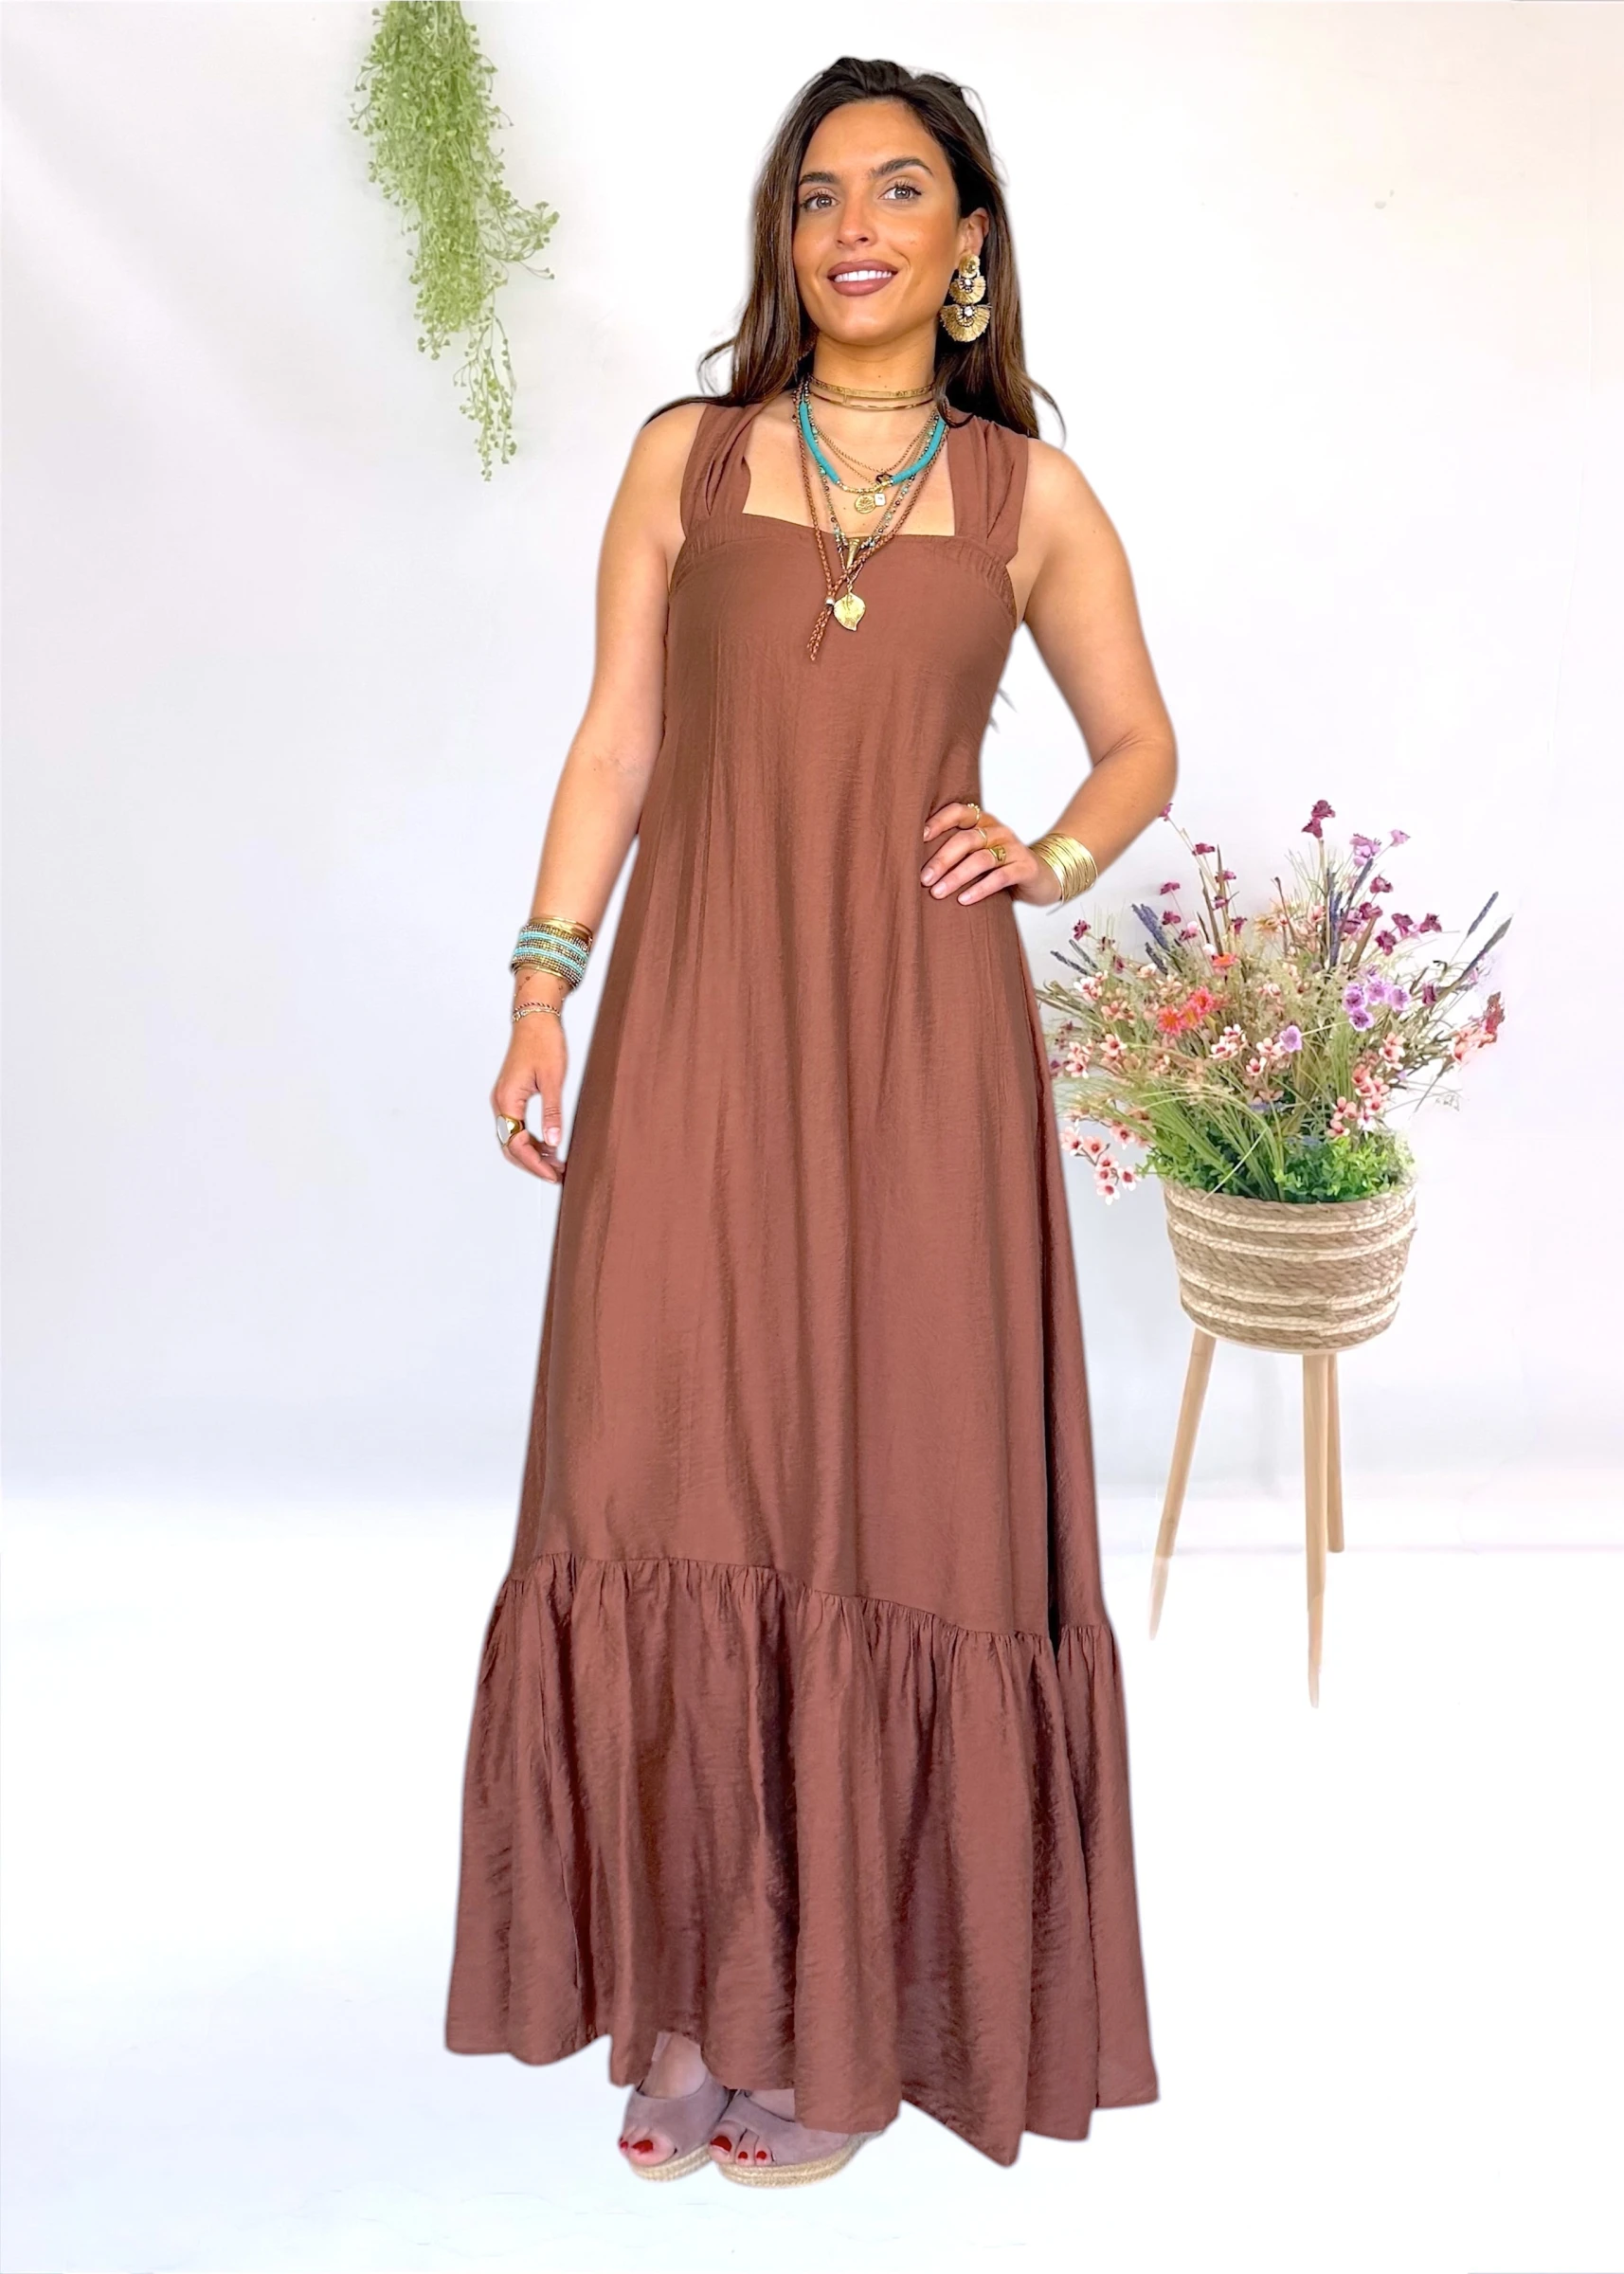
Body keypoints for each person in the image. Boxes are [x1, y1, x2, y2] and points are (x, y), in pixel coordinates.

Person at [445, 53, 1177, 2182]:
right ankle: (688, 2002)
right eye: (818, 194)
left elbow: (1136, 743)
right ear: (786, 238)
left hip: (917, 1049)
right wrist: (541, 982)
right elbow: (616, 738)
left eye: (900, 191)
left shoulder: (1028, 496)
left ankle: (835, 2030)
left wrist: (1046, 851)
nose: (855, 227)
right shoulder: (687, 457)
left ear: (968, 244)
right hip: (693, 1017)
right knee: (660, 1458)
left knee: (889, 1490)